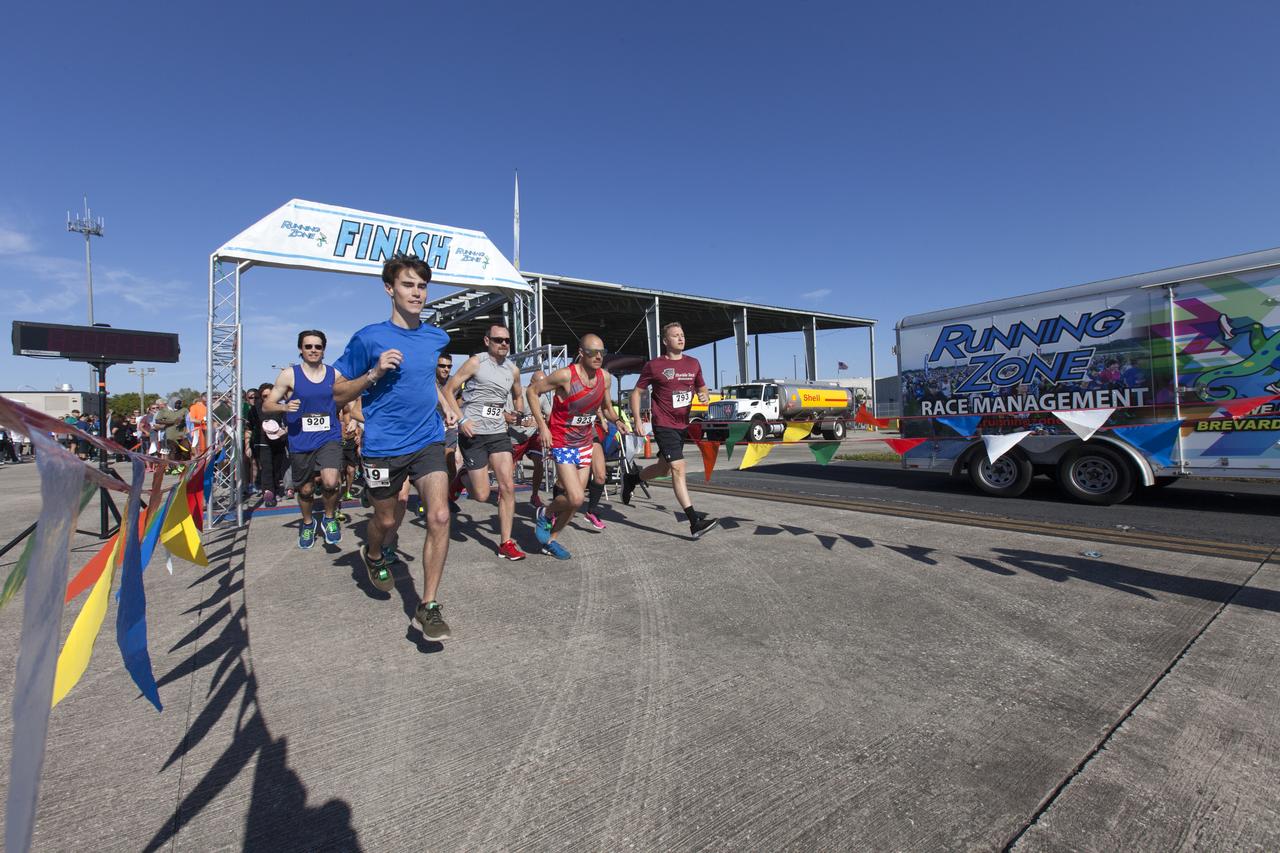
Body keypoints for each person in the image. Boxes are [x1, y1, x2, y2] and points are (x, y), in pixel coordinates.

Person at [333, 253, 460, 641]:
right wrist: (372, 373)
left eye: (422, 286)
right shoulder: (368, 337)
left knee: (439, 517)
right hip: (383, 446)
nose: (417, 292)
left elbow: (427, 382)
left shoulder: (437, 337)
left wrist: (448, 407)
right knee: (387, 521)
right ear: (390, 289)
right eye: (408, 284)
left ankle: (429, 605)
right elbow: (337, 391)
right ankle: (373, 554)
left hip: (427, 441)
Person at [525, 334, 629, 560]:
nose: (599, 356)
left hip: (584, 442)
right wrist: (543, 426)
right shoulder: (565, 375)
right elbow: (532, 392)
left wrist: (617, 421)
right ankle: (545, 512)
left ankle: (551, 541)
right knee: (575, 497)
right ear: (581, 353)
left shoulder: (605, 378)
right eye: (593, 352)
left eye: (603, 352)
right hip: (562, 441)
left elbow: (608, 408)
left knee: (574, 503)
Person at [624, 321, 719, 538]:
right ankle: (694, 521)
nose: (680, 338)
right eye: (675, 335)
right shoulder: (654, 365)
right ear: (666, 341)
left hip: (682, 424)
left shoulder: (693, 363)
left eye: (682, 334)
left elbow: (701, 386)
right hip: (663, 423)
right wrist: (637, 420)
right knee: (678, 467)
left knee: (664, 469)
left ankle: (633, 479)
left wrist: (703, 394)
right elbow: (636, 393)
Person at [445, 324, 528, 561]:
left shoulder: (513, 369)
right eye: (498, 339)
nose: (503, 344)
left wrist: (519, 413)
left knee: (507, 486)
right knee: (481, 495)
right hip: (474, 433)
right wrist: (462, 420)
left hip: (499, 433)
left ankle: (506, 542)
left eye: (507, 340)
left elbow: (518, 394)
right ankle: (461, 478)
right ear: (487, 341)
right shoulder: (475, 362)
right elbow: (450, 390)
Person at [264, 330, 346, 549]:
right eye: (308, 346)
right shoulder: (289, 375)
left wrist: (354, 419)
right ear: (301, 349)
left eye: (317, 347)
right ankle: (308, 523)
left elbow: (349, 397)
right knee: (306, 490)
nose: (313, 350)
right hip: (300, 438)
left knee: (330, 482)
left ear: (323, 350)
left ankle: (329, 518)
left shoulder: (335, 374)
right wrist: (283, 406)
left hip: (329, 436)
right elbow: (267, 404)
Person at [247, 382, 289, 505]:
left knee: (276, 469)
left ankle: (275, 490)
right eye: (264, 396)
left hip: (279, 442)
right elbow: (249, 428)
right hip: (262, 443)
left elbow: (287, 424)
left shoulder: (280, 407)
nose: (267, 398)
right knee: (266, 469)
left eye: (270, 395)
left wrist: (284, 431)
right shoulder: (255, 409)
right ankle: (268, 494)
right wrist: (246, 445)